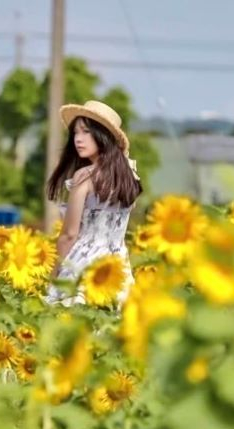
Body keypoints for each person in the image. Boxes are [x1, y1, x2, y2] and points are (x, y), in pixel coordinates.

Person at [44, 100, 143, 308]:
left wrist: (53, 277)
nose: (78, 139)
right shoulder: (130, 176)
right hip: (118, 268)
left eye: (86, 132)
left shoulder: (84, 176)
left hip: (83, 265)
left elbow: (69, 235)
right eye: (76, 133)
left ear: (102, 135)